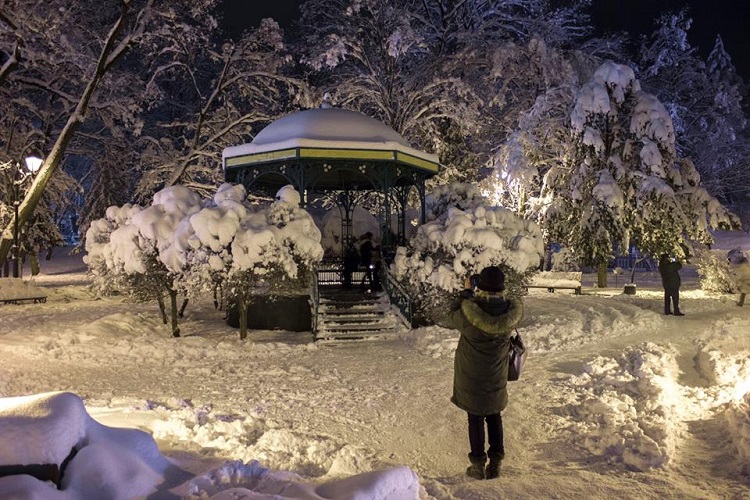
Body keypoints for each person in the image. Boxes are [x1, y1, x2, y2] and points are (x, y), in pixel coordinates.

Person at [436, 266, 523, 480]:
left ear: (480, 286)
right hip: (496, 374)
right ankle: (495, 464)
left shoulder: (469, 314)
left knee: (475, 418)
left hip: (472, 376)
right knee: (494, 415)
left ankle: (477, 466)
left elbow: (451, 315)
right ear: (502, 287)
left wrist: (466, 292)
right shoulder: (510, 314)